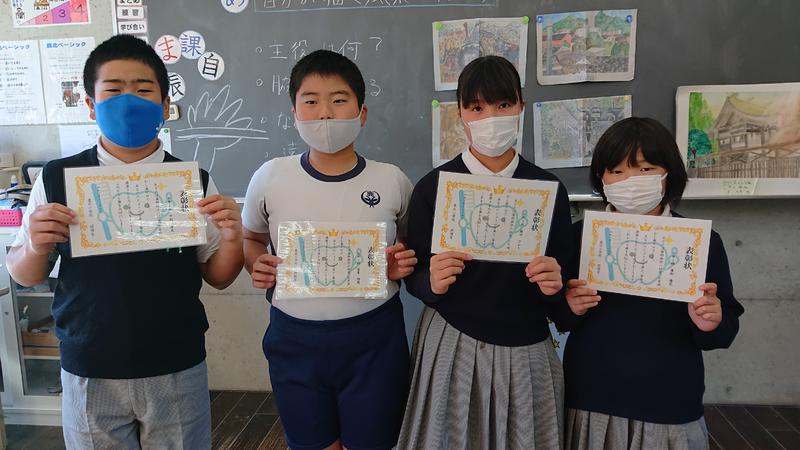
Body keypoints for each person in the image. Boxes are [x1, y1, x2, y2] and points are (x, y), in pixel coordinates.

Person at [6, 34, 244, 449]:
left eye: (143, 89)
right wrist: (36, 246)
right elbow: (24, 273)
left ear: (165, 105)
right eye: (113, 91)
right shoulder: (58, 178)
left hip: (175, 361)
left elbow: (219, 276)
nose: (128, 101)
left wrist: (232, 238)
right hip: (89, 363)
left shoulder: (190, 180)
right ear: (90, 104)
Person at [241, 49, 416, 450]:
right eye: (311, 101)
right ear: (294, 113)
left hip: (374, 340)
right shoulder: (270, 177)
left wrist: (398, 261)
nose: (324, 114)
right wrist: (256, 263)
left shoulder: (391, 180)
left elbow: (408, 242)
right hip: (294, 339)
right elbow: (251, 239)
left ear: (362, 113)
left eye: (339, 100)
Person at [398, 55, 573, 449]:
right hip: (453, 337)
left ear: (521, 106)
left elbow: (564, 279)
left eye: (503, 105)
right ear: (460, 113)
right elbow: (416, 276)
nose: (490, 118)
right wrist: (431, 281)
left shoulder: (548, 190)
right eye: (476, 107)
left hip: (527, 342)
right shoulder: (433, 188)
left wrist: (554, 284)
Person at [562, 117, 744, 450]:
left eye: (645, 169)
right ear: (601, 178)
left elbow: (724, 328)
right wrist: (569, 307)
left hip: (669, 401)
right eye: (616, 171)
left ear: (668, 173)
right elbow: (559, 317)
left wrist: (711, 321)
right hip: (591, 397)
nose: (630, 181)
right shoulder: (579, 237)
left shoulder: (700, 242)